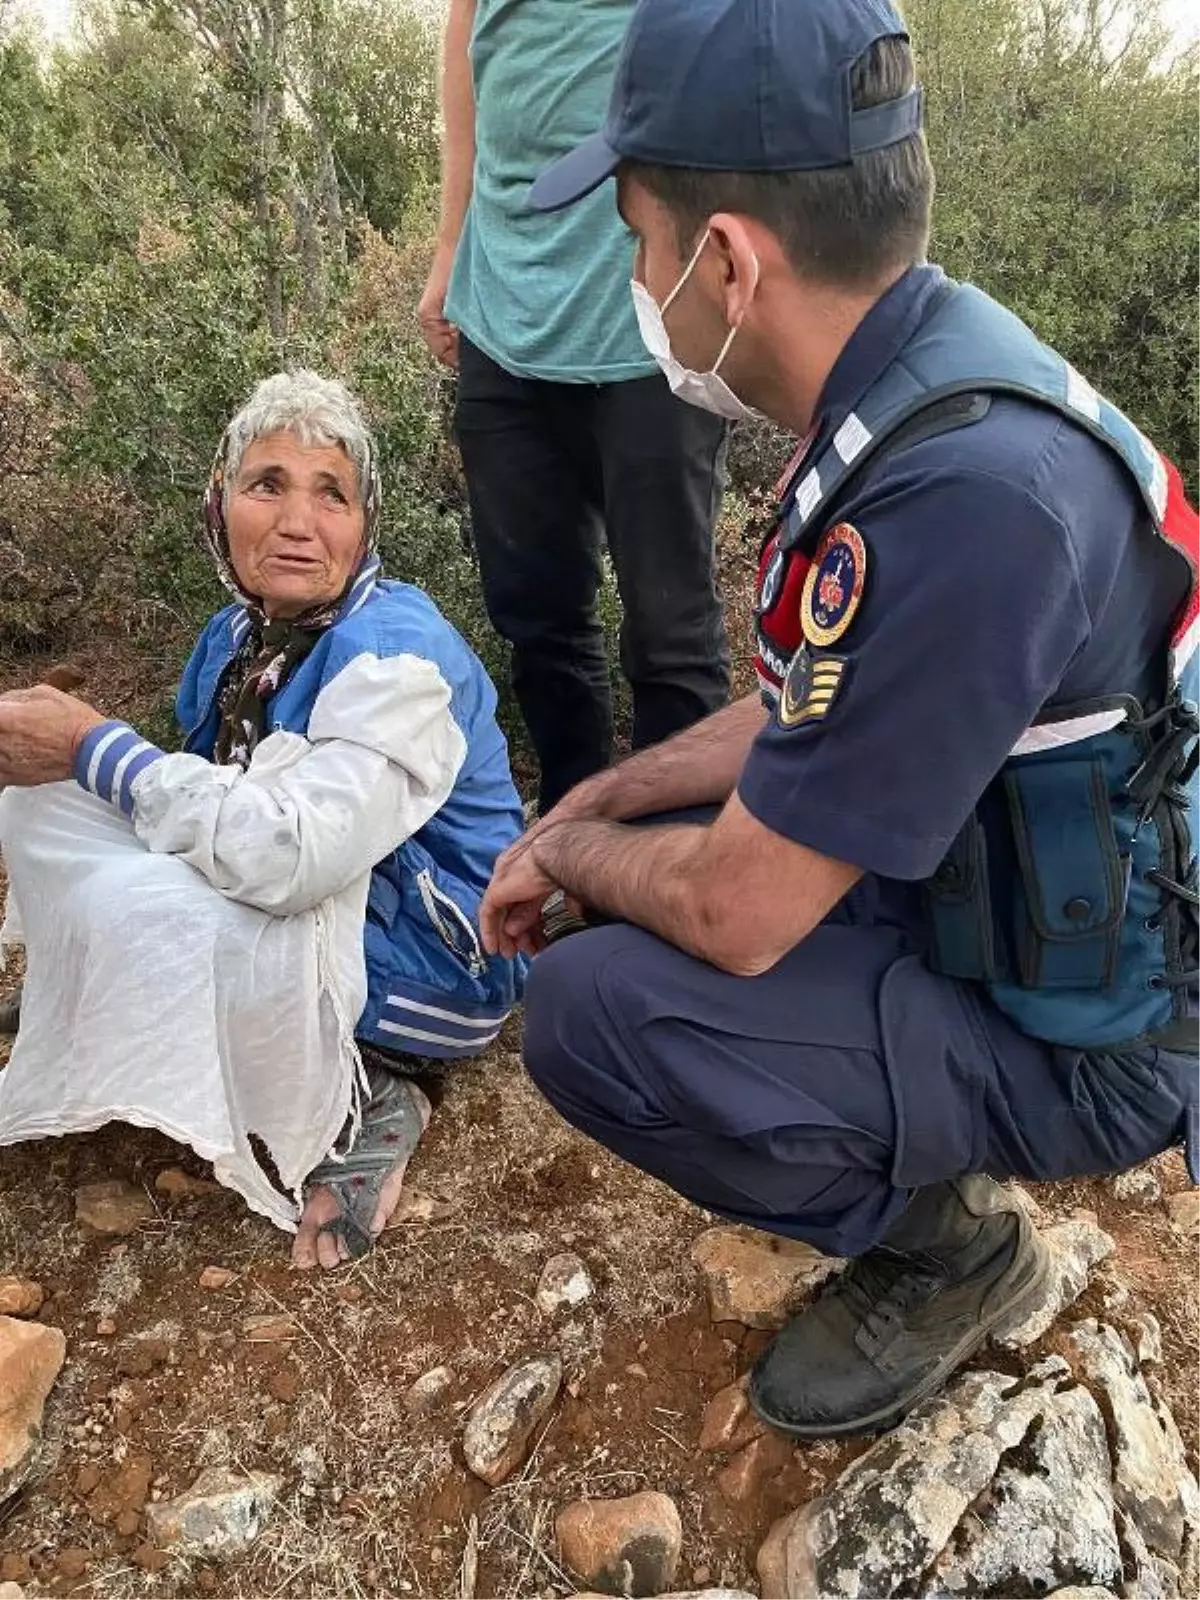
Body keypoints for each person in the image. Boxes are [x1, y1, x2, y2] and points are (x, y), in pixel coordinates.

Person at [479, 0, 1200, 1440]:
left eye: (635, 238)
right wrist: (589, 811)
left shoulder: (969, 498)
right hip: (1003, 888)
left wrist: (564, 865)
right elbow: (808, 699)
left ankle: (956, 1249)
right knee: (641, 855)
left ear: (727, 260)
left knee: (592, 1010)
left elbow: (743, 914)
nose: (636, 276)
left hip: (1106, 1045)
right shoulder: (924, 369)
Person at [0, 371, 524, 1270]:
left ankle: (377, 1089)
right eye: (267, 484)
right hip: (337, 900)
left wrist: (95, 743)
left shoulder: (400, 659)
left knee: (140, 874)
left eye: (333, 494)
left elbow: (288, 854)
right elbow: (212, 794)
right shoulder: (238, 637)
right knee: (47, 801)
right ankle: (110, 976)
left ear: (365, 530)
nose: (297, 521)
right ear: (220, 505)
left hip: (439, 961)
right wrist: (85, 765)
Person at [417, 0, 731, 818]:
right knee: (536, 618)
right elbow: (471, 43)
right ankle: (571, 838)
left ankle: (672, 860)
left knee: (671, 632)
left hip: (652, 309)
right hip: (503, 301)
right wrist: (451, 244)